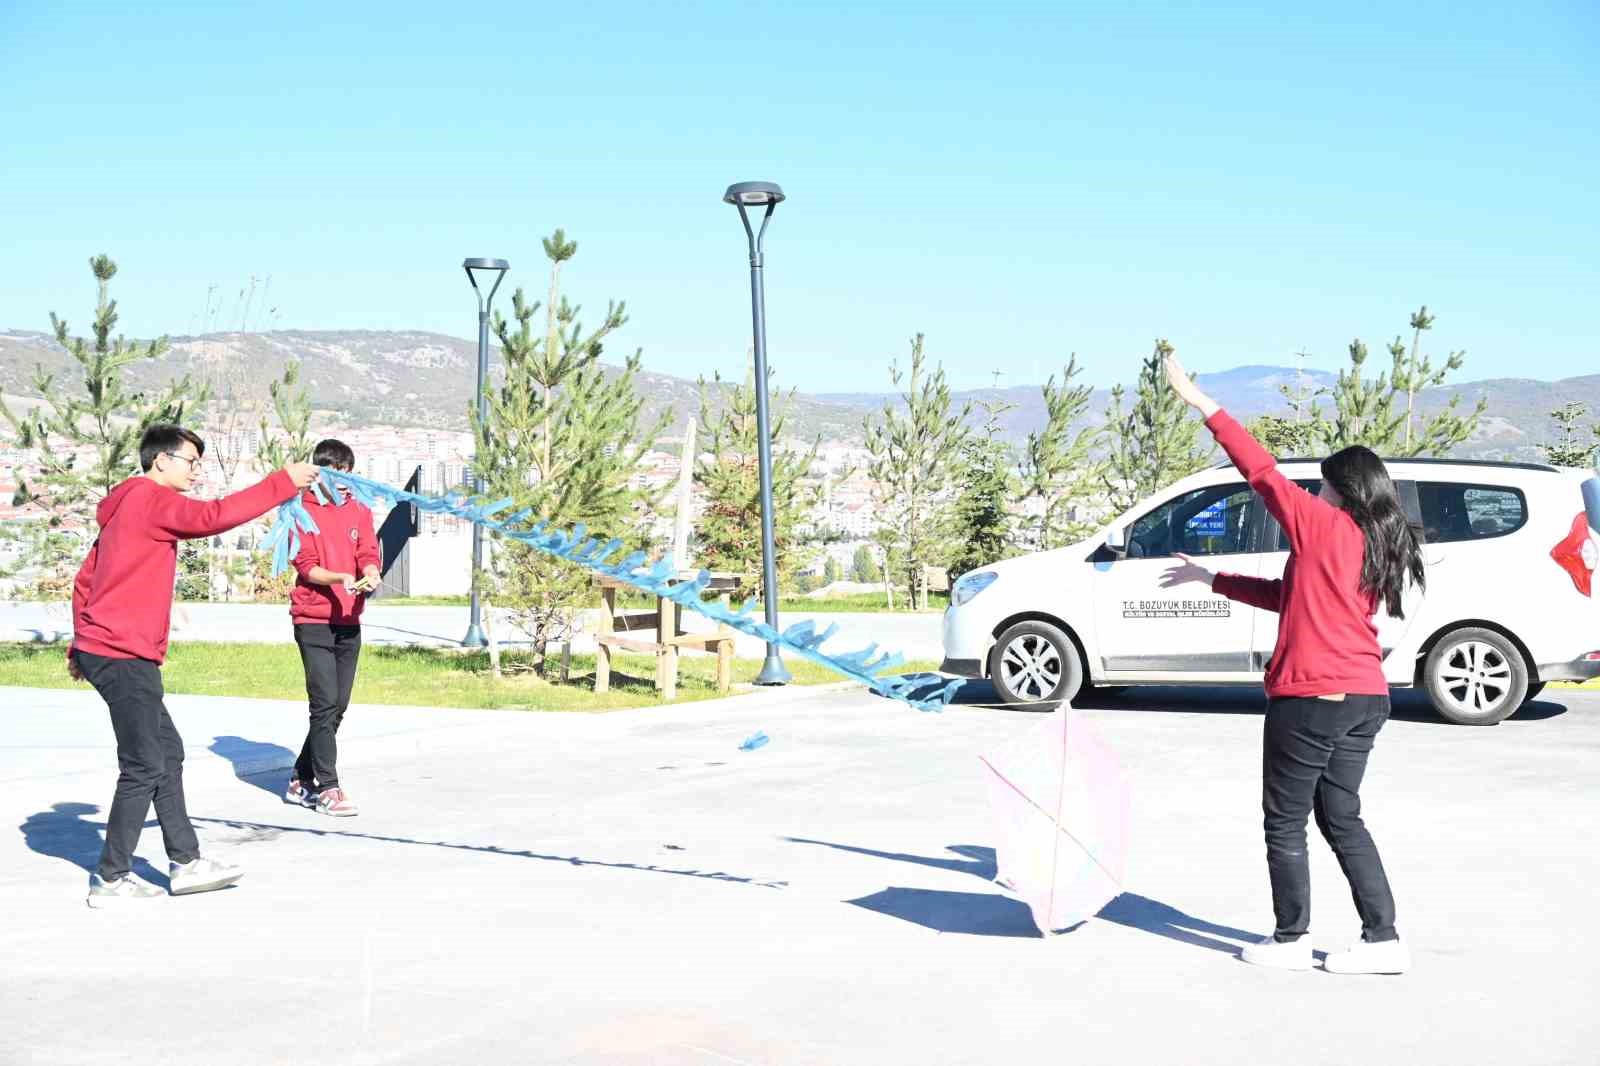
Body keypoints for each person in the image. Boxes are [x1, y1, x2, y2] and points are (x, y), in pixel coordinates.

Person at [1160, 350, 1424, 975]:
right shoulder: (1372, 539)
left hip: (1311, 698)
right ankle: (1384, 942)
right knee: (1341, 816)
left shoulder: (1321, 522)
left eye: (1323, 483)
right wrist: (1213, 578)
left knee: (1284, 820)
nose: (1313, 490)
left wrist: (1202, 403)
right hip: (1365, 698)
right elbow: (1292, 598)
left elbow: (1260, 472)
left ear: (1340, 488)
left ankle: (1291, 940)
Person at [70, 424, 319, 907]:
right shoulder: (148, 497)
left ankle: (185, 862)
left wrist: (80, 646)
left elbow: (87, 577)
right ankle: (111, 877)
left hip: (111, 648)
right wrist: (282, 482)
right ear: (160, 460)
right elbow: (214, 516)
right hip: (123, 652)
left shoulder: (124, 504)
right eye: (191, 461)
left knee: (168, 752)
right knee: (144, 764)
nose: (196, 470)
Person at [282, 439, 380, 817]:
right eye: (336, 473)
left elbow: (368, 553)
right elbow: (305, 565)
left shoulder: (359, 510)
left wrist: (369, 572)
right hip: (313, 619)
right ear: (319, 473)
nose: (344, 481)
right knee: (322, 704)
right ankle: (328, 787)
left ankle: (300, 776)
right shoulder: (299, 512)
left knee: (337, 706)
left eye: (348, 473)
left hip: (349, 619)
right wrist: (339, 577)